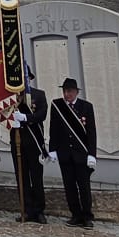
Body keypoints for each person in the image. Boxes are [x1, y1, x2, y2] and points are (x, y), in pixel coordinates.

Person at [49, 77, 98, 227]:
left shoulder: (86, 107)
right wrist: (52, 149)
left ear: (76, 92)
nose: (67, 94)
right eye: (65, 91)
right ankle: (75, 215)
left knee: (84, 186)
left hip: (81, 154)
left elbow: (91, 132)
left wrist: (92, 154)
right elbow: (54, 129)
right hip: (65, 153)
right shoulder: (57, 105)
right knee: (69, 186)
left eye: (69, 91)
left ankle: (87, 216)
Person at [12, 72, 48, 224]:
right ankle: (26, 210)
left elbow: (42, 114)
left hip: (34, 142)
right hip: (18, 142)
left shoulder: (38, 94)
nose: (24, 80)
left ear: (30, 79)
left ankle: (39, 211)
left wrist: (25, 118)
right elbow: (2, 114)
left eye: (26, 77)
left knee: (36, 178)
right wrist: (12, 119)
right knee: (22, 178)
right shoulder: (12, 96)